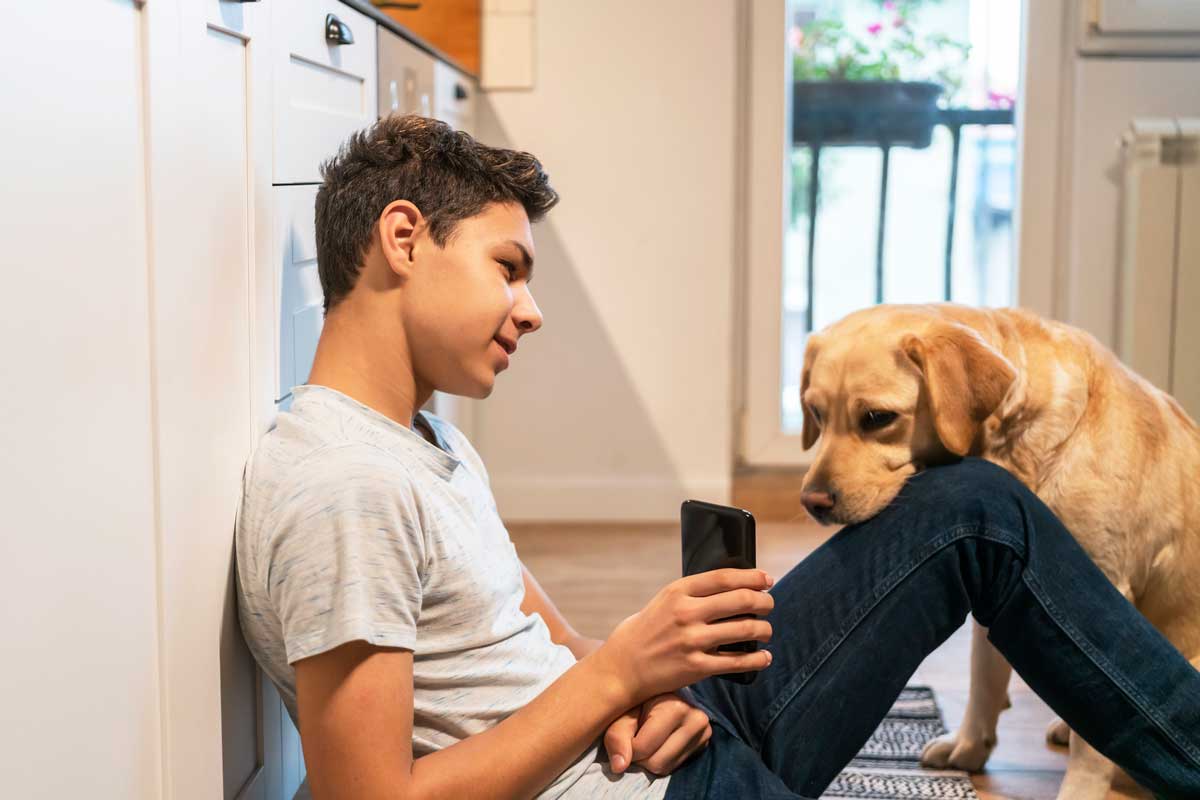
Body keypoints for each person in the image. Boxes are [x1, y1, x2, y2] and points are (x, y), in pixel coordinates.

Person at [234, 115, 1200, 800]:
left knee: (976, 506)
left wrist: (638, 688)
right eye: (508, 268)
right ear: (404, 240)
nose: (531, 308)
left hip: (658, 743)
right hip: (653, 789)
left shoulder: (425, 441)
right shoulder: (344, 488)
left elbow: (555, 647)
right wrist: (617, 679)